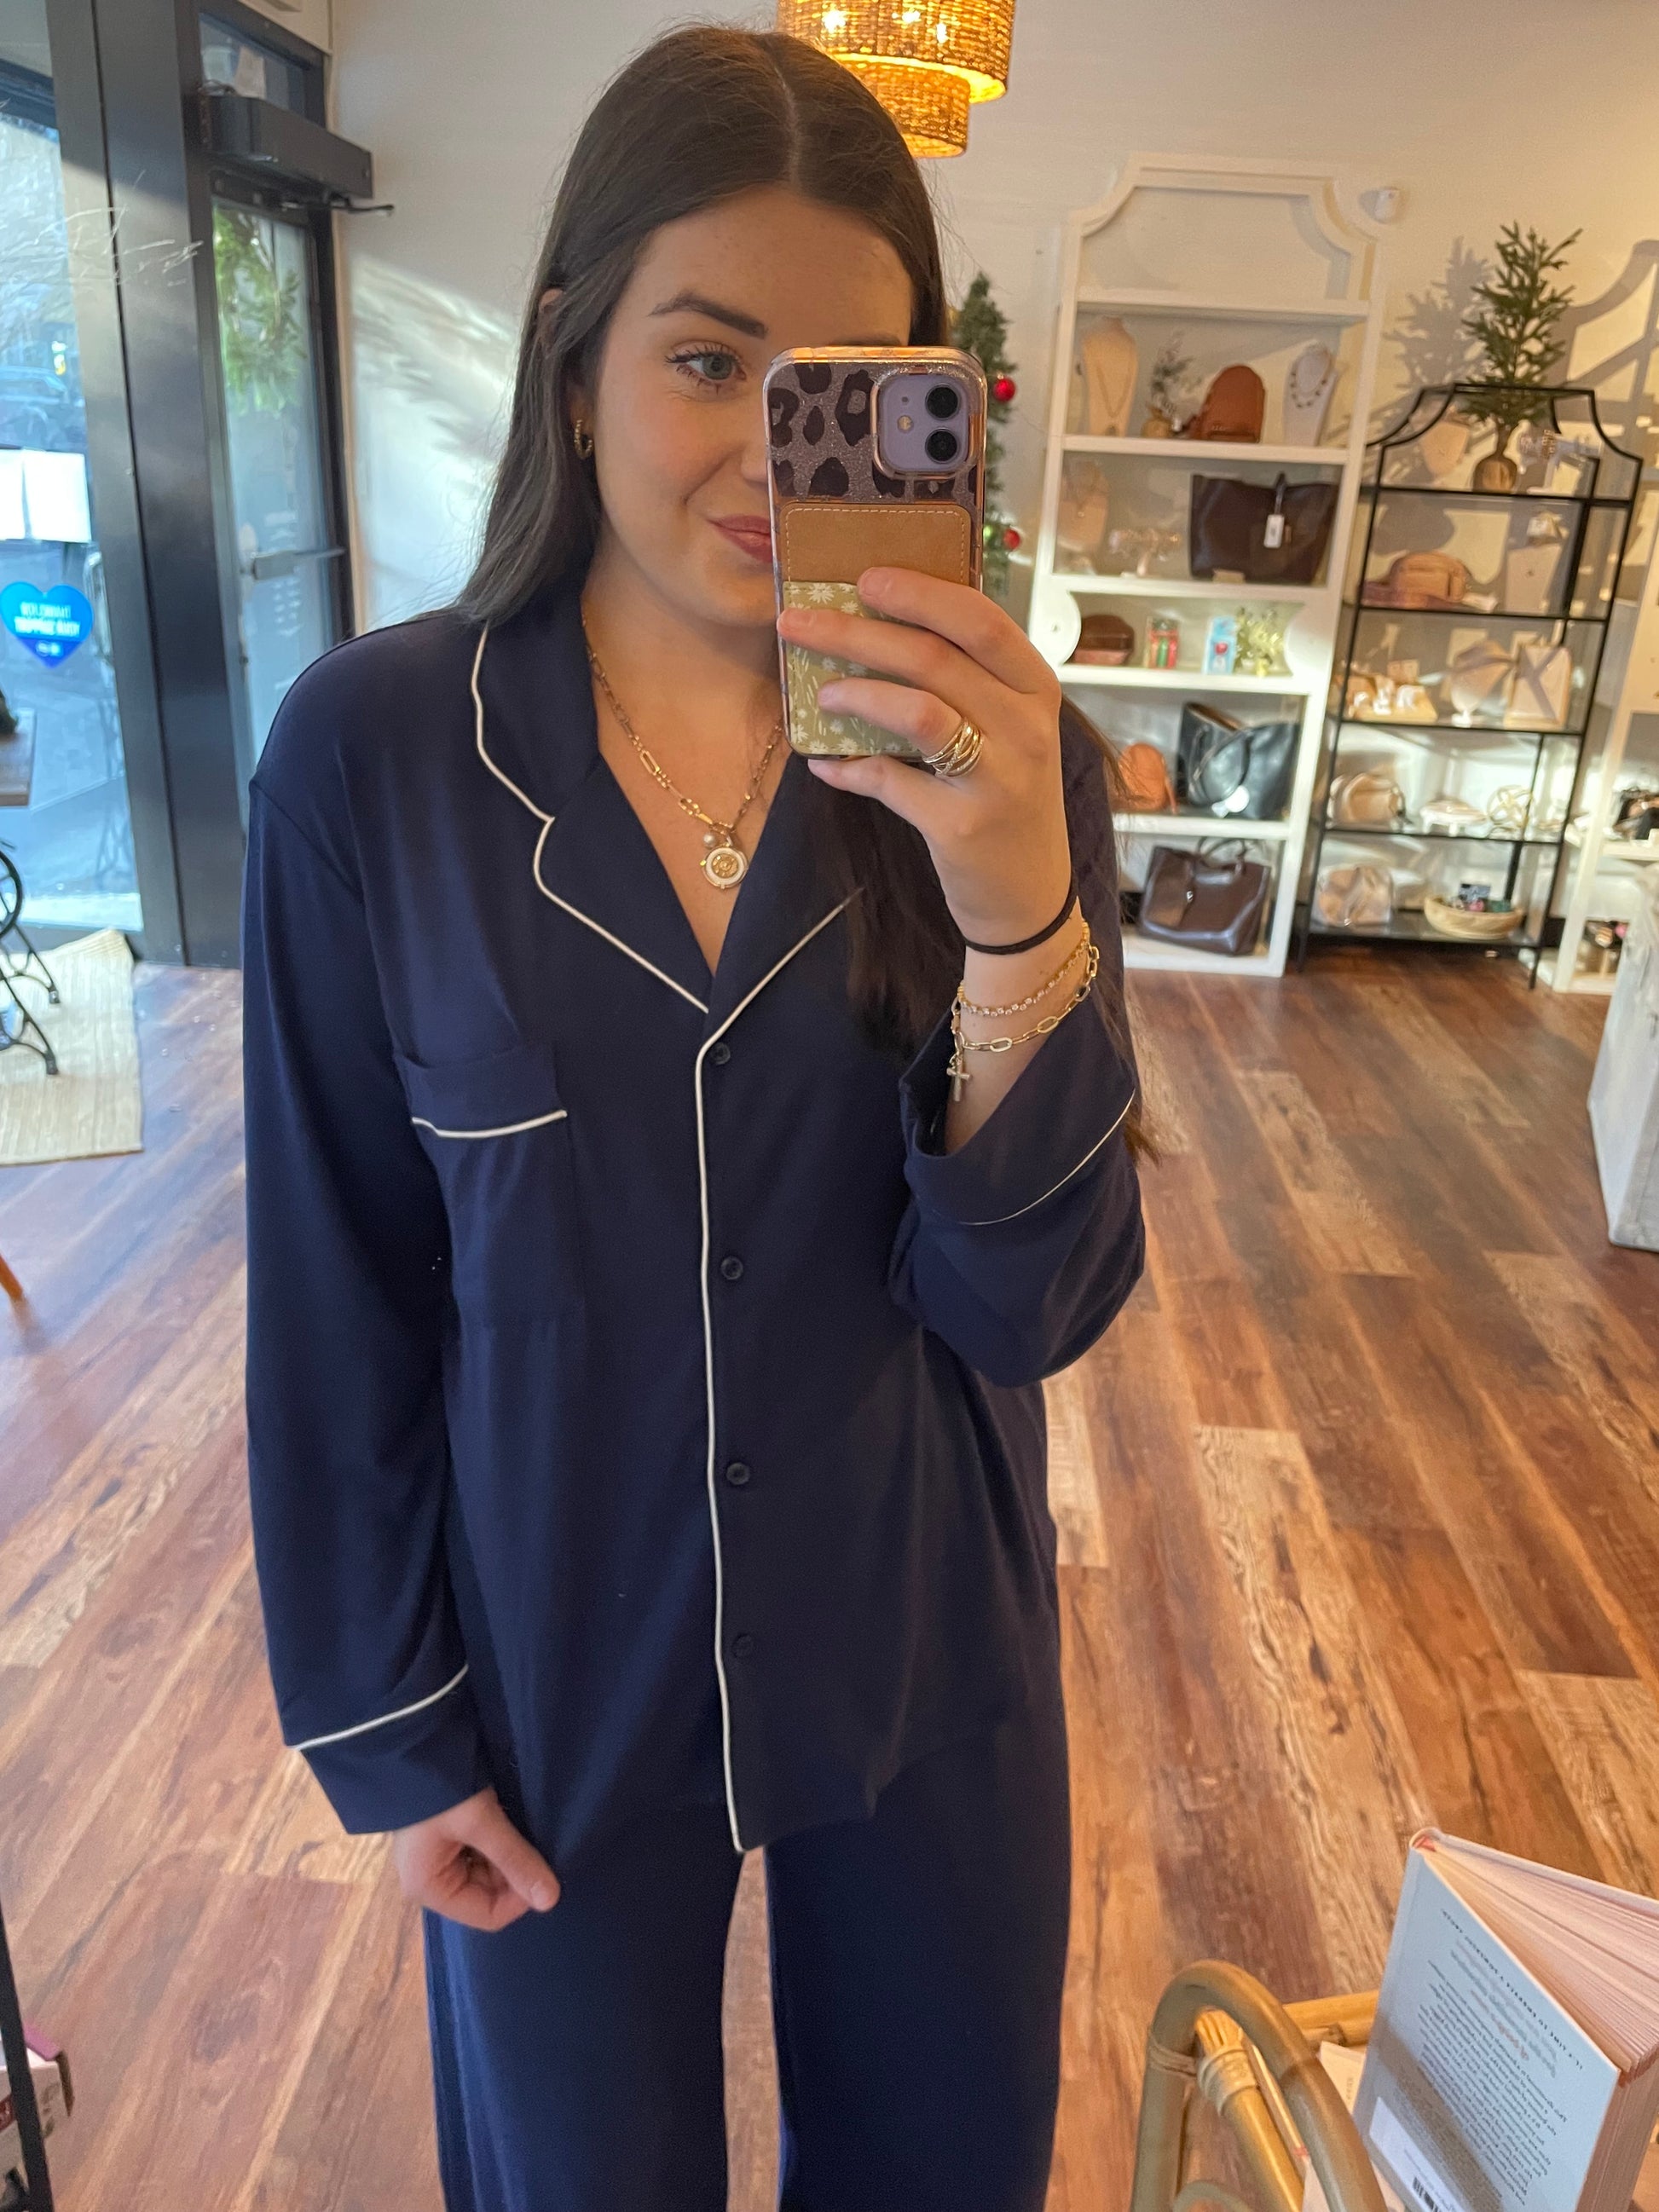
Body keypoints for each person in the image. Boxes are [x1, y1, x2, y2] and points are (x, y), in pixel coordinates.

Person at [241, 26, 1144, 2212]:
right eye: (708, 360)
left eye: (846, 391)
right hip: (552, 1653)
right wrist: (390, 1726)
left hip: (916, 1629)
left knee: (939, 2165)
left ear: (932, 414)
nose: (766, 450)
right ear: (574, 366)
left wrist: (1013, 897)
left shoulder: (1003, 759)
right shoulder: (376, 759)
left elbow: (1028, 1305)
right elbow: (339, 1285)